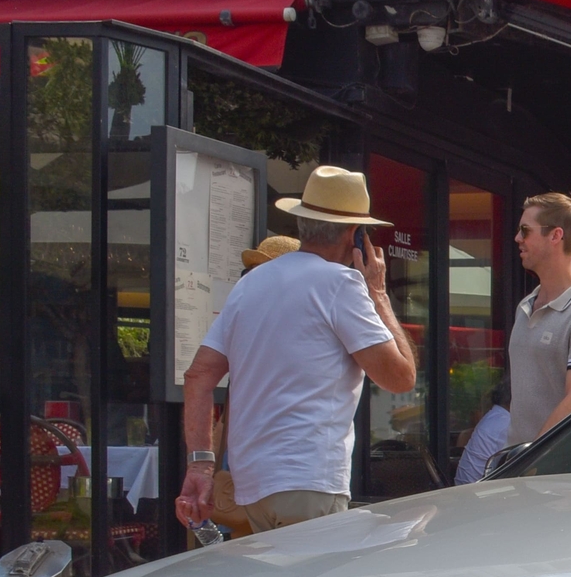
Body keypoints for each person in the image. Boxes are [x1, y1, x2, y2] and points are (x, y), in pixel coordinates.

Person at [174, 167, 416, 533]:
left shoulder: (251, 283)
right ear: (355, 234)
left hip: (252, 483)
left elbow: (198, 375)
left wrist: (200, 465)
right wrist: (378, 293)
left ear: (303, 222)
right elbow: (400, 378)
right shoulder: (341, 283)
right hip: (309, 476)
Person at [454, 191, 571, 482]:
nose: (517, 238)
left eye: (525, 230)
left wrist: (530, 460)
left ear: (556, 236)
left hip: (560, 475)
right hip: (522, 470)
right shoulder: (525, 306)